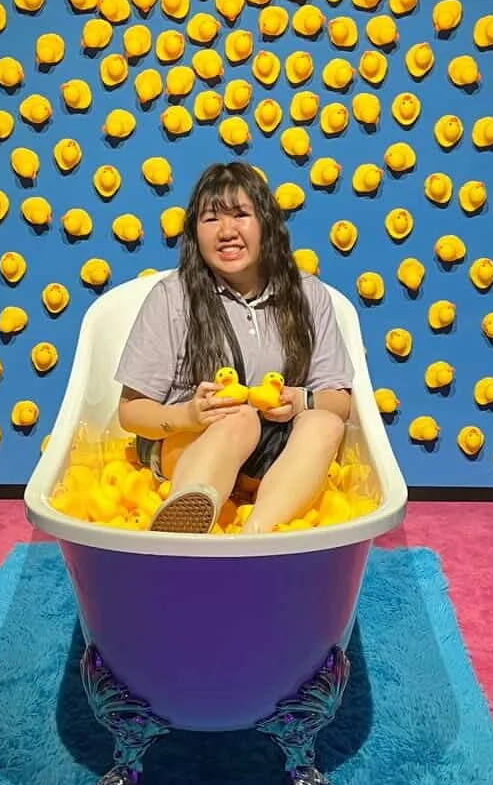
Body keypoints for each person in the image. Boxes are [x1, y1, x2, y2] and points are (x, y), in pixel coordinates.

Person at [115, 161, 354, 534]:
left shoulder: (308, 294)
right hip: (190, 443)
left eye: (241, 214)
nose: (227, 231)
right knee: (238, 417)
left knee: (323, 421)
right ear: (195, 232)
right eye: (211, 219)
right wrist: (189, 416)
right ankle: (185, 519)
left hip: (274, 452)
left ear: (267, 225)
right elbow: (131, 412)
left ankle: (255, 533)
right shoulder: (172, 297)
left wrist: (300, 401)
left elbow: (339, 400)